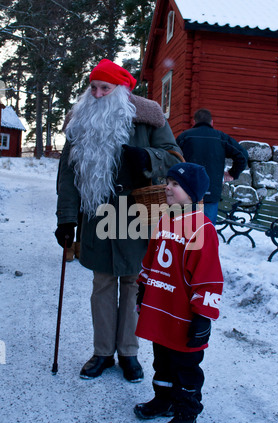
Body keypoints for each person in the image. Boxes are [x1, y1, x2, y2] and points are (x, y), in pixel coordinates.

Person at [55, 58, 183, 382]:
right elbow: (67, 175)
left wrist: (147, 157)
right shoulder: (79, 120)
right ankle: (102, 352)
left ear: (120, 89)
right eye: (93, 87)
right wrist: (67, 219)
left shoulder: (148, 116)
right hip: (97, 214)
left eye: (104, 88)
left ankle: (128, 352)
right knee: (102, 283)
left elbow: (175, 156)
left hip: (137, 212)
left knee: (131, 283)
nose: (97, 94)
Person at [134, 162, 224, 423]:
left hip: (184, 317)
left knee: (185, 367)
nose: (167, 187)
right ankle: (164, 400)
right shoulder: (164, 220)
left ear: (193, 193)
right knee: (162, 360)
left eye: (175, 184)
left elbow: (209, 277)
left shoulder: (202, 230)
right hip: (160, 310)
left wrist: (203, 317)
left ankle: (187, 416)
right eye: (168, 181)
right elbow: (151, 261)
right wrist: (142, 289)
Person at [176, 108, 248, 225]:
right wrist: (233, 173)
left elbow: (173, 157)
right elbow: (243, 156)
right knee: (207, 231)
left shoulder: (184, 137)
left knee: (184, 230)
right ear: (212, 122)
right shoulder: (220, 137)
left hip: (187, 190)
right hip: (210, 191)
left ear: (194, 122)